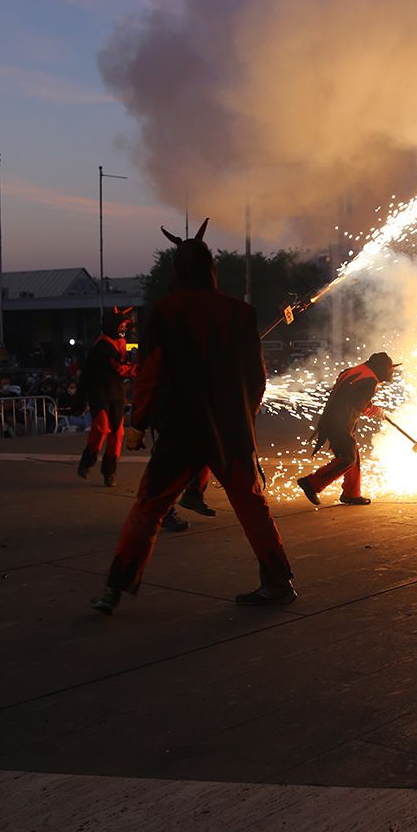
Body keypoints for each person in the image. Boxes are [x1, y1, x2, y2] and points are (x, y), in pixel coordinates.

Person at [92, 219, 294, 614]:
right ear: (211, 267)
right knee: (252, 506)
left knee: (149, 507)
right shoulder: (242, 312)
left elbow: (150, 372)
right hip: (230, 429)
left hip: (183, 427)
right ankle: (278, 580)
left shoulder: (165, 312)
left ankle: (115, 589)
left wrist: (139, 422)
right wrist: (243, 417)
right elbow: (257, 378)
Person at [296, 352, 398, 507]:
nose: (392, 373)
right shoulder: (370, 380)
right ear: (381, 368)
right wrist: (376, 411)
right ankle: (311, 483)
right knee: (347, 458)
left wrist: (373, 408)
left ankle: (351, 493)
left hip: (335, 420)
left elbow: (351, 396)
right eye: (390, 369)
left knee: (352, 455)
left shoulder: (355, 371)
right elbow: (359, 404)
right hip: (338, 424)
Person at [75, 306, 136, 487]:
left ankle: (109, 471)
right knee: (101, 429)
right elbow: (120, 368)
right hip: (100, 393)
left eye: (125, 326)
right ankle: (87, 462)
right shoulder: (102, 345)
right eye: (121, 326)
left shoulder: (121, 343)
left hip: (116, 393)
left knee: (117, 433)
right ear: (113, 326)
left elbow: (124, 365)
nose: (124, 330)